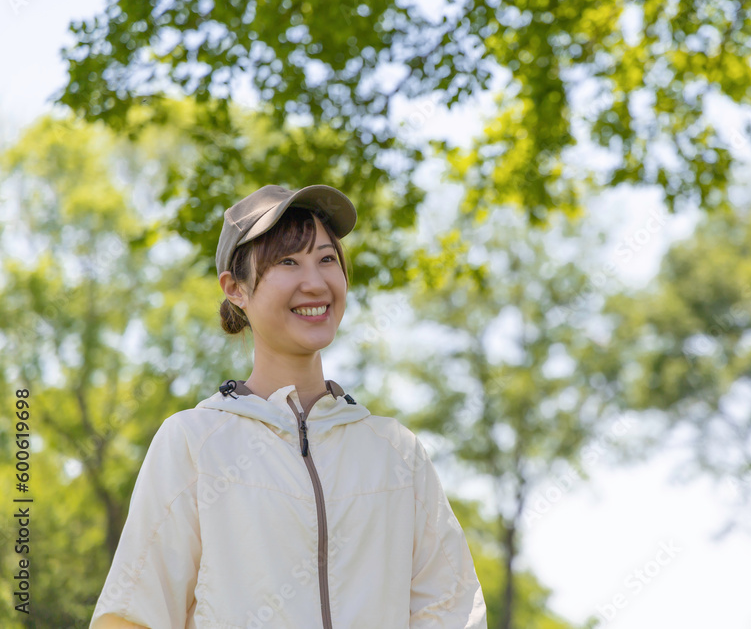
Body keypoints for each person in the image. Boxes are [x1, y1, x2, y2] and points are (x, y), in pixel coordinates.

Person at [90, 184, 488, 628]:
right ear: (235, 289)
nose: (314, 282)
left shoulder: (397, 452)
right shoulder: (194, 443)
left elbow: (450, 611)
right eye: (287, 261)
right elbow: (132, 614)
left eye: (326, 259)